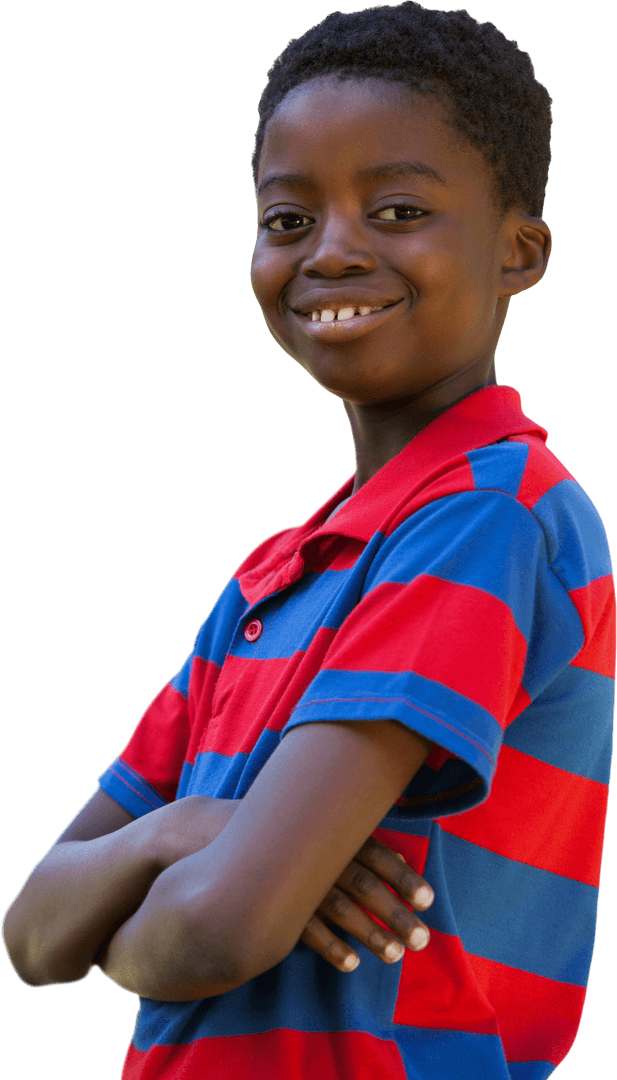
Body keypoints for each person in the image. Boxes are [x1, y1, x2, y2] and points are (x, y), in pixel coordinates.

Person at [3, 3, 614, 1078]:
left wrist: (170, 900)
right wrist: (185, 830)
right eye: (287, 219)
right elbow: (32, 932)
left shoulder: (487, 517)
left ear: (517, 254)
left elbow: (216, 934)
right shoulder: (270, 581)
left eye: (396, 210)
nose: (331, 251)